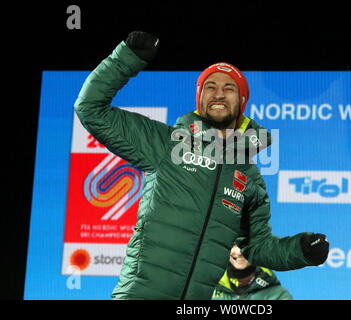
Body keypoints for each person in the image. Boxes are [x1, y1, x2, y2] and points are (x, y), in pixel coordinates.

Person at [74, 31, 329, 300]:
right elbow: (90, 108)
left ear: (241, 102)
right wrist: (127, 58)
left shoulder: (248, 176)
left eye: (229, 88)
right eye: (211, 87)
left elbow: (258, 247)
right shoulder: (167, 143)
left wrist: (302, 250)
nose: (219, 94)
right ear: (200, 98)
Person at [212, 245, 293, 300]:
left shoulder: (278, 296)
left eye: (245, 243)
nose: (239, 252)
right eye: (233, 244)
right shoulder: (208, 287)